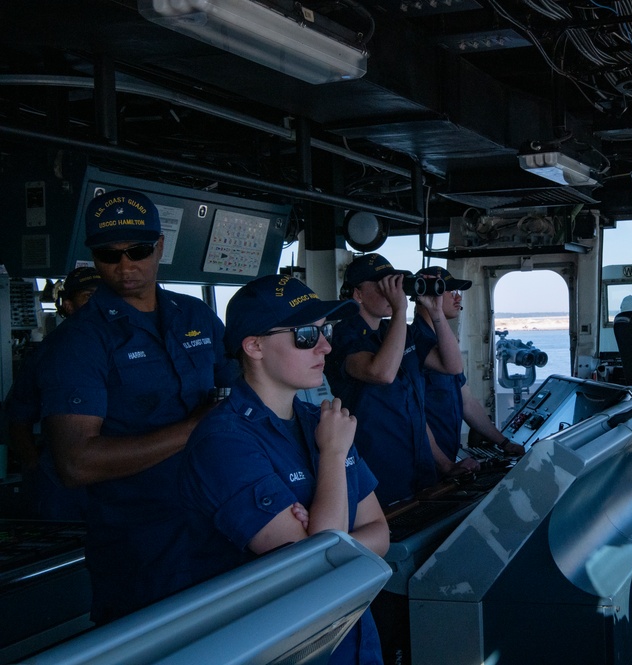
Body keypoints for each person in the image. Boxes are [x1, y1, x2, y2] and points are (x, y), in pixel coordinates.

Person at [36, 189, 236, 624]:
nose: (126, 266)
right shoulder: (78, 343)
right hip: (143, 545)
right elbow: (76, 463)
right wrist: (195, 427)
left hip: (222, 521)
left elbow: (238, 391)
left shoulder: (195, 315)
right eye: (110, 255)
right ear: (93, 257)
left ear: (160, 247)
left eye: (139, 250)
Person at [180, 273, 388, 665]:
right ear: (255, 346)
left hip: (349, 635)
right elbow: (313, 569)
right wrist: (331, 456)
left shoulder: (321, 420)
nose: (325, 346)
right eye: (307, 335)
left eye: (324, 332)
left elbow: (380, 532)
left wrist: (325, 538)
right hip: (283, 648)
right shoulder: (224, 442)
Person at [323, 253, 467, 507]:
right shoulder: (344, 336)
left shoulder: (396, 331)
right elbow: (382, 373)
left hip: (419, 470)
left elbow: (452, 365)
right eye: (383, 286)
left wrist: (436, 313)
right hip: (379, 475)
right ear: (358, 294)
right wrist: (401, 309)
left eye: (395, 284)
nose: (393, 292)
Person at [4, 266, 100, 520]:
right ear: (67, 305)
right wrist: (35, 467)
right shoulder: (52, 351)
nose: (99, 305)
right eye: (89, 296)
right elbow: (17, 417)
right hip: (64, 489)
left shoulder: (124, 346)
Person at [413, 266, 524, 461]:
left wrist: (504, 443)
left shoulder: (441, 341)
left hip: (447, 455)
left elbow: (467, 403)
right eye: (450, 291)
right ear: (429, 293)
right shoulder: (415, 340)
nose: (458, 298)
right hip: (427, 461)